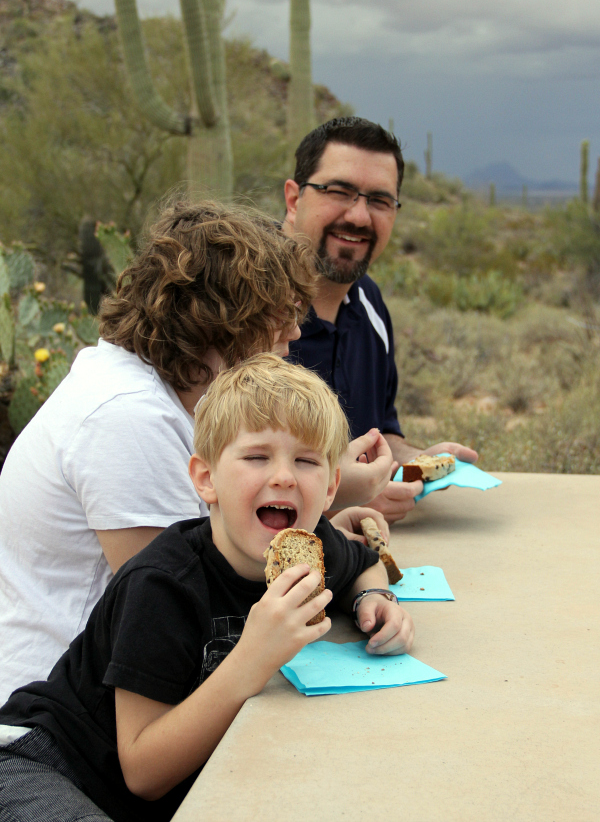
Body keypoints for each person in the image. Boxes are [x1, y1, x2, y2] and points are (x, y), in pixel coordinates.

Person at [0, 355, 414, 822]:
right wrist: (253, 659)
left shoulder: (311, 551)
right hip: (48, 767)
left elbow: (362, 564)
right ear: (206, 478)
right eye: (257, 457)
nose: (283, 476)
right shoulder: (162, 585)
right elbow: (142, 771)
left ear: (332, 487)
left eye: (305, 460)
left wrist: (376, 599)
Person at [0, 200, 317, 704]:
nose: (295, 331)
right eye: (281, 312)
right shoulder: (128, 419)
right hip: (54, 725)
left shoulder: (147, 392)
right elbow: (187, 606)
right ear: (225, 316)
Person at [283, 117, 478, 523]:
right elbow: (211, 474)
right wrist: (339, 500)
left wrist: (415, 461)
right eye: (339, 191)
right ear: (293, 199)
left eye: (379, 200)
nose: (359, 216)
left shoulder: (368, 301)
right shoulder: (242, 304)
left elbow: (381, 434)